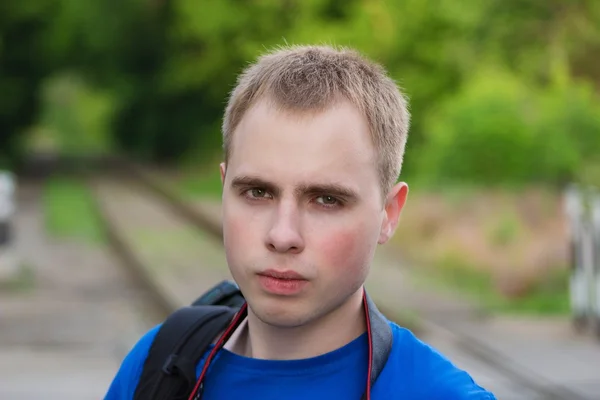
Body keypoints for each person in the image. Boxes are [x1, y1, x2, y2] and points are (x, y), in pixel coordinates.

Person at [105, 44, 496, 399]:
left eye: (326, 199)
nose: (282, 235)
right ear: (224, 191)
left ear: (388, 215)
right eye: (257, 192)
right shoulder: (156, 367)